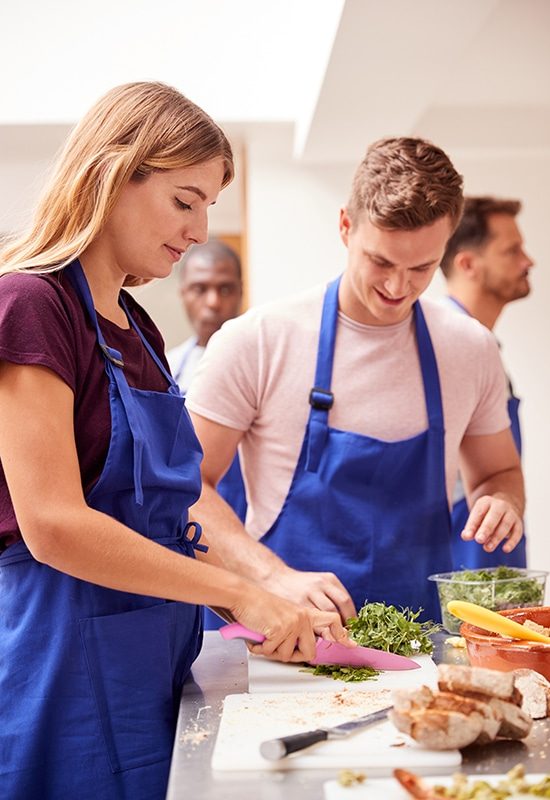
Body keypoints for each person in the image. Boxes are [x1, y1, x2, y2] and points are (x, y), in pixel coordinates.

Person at [0, 82, 349, 800]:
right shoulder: (30, 305)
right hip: (60, 660)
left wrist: (262, 593)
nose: (197, 230)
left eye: (209, 207)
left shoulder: (141, 330)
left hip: (154, 659)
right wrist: (242, 594)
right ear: (110, 175)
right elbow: (54, 526)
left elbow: (169, 511)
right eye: (184, 201)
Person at [186, 137, 525, 626]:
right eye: (381, 262)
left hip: (418, 645)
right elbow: (187, 488)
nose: (397, 287)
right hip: (284, 637)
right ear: (346, 226)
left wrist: (502, 501)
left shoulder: (470, 349)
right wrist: (272, 576)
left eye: (421, 268)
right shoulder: (258, 341)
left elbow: (499, 475)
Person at [440, 196, 534, 569]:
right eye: (512, 251)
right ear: (468, 264)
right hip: (464, 554)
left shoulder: (485, 346)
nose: (528, 262)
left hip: (493, 549)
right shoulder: (449, 346)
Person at [167, 239, 247, 525]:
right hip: (184, 525)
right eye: (200, 289)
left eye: (224, 289)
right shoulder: (166, 368)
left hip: (248, 524)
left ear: (240, 290)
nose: (213, 302)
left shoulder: (261, 363)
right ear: (183, 293)